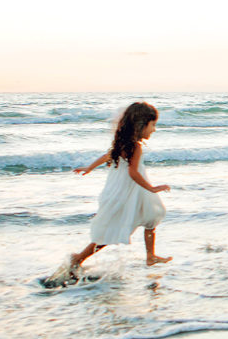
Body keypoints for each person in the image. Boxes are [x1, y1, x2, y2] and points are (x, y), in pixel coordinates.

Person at [69, 101, 172, 272]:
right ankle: (78, 258)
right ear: (141, 125)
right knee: (111, 232)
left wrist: (90, 167)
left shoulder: (124, 143)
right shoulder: (135, 147)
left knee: (152, 215)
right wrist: (153, 188)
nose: (154, 129)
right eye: (152, 124)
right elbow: (133, 172)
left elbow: (107, 156)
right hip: (130, 192)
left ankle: (151, 256)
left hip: (131, 190)